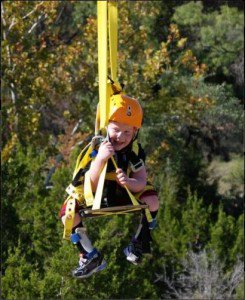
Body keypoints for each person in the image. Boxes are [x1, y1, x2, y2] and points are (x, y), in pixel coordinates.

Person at [59, 93, 159, 279]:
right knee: (68, 213)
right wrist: (100, 159)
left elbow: (141, 179)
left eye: (127, 132)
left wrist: (129, 182)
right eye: (115, 130)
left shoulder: (133, 153)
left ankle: (138, 242)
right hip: (94, 194)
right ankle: (89, 255)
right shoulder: (96, 149)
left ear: (135, 132)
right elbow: (89, 183)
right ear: (107, 128)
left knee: (152, 201)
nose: (120, 136)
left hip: (124, 192)